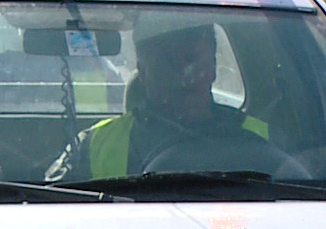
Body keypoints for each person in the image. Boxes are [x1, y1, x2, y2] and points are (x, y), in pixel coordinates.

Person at [46, 22, 270, 182]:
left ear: (212, 67)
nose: (183, 74)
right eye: (167, 61)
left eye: (191, 60)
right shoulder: (93, 145)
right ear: (142, 73)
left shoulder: (265, 139)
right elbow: (52, 211)